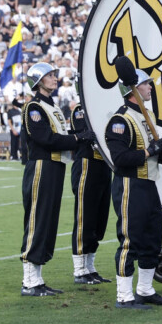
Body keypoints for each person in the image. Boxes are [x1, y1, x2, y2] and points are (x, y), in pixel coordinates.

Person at [20, 62, 95, 297]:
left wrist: (80, 137)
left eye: (53, 75)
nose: (54, 78)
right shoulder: (34, 107)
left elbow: (60, 137)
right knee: (38, 220)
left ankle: (37, 278)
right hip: (42, 166)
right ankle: (29, 280)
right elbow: (46, 139)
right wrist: (79, 138)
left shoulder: (51, 106)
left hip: (55, 166)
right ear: (38, 81)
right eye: (49, 76)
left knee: (48, 221)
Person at [105, 68, 162, 309]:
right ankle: (124, 295)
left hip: (149, 184)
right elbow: (120, 158)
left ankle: (145, 289)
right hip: (129, 185)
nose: (151, 87)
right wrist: (149, 152)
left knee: (152, 240)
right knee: (129, 240)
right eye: (146, 84)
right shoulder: (120, 120)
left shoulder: (148, 115)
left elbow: (154, 152)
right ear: (133, 90)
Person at [69, 101, 113, 285]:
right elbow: (85, 134)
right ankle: (79, 269)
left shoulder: (106, 108)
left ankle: (90, 267)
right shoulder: (81, 109)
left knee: (99, 219)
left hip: (104, 165)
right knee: (84, 217)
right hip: (87, 163)